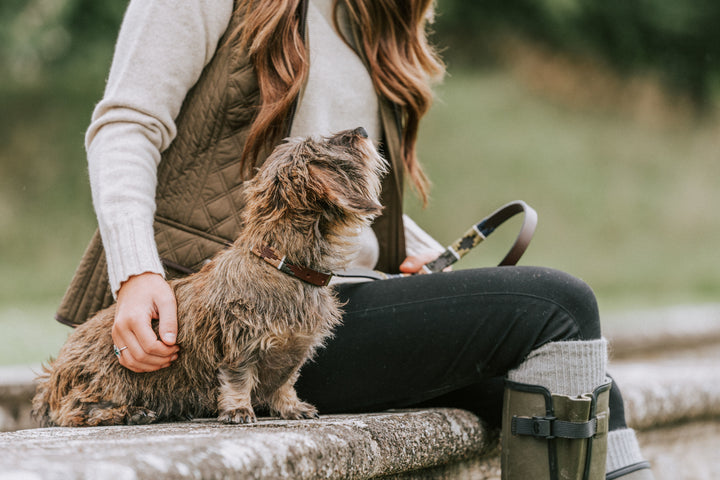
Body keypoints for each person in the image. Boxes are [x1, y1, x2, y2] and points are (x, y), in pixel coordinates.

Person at [71, 0, 653, 478]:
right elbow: (126, 125)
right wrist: (136, 272)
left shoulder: (365, 16)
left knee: (577, 379)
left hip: (327, 298)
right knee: (558, 306)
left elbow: (336, 198)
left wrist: (413, 248)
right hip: (219, 324)